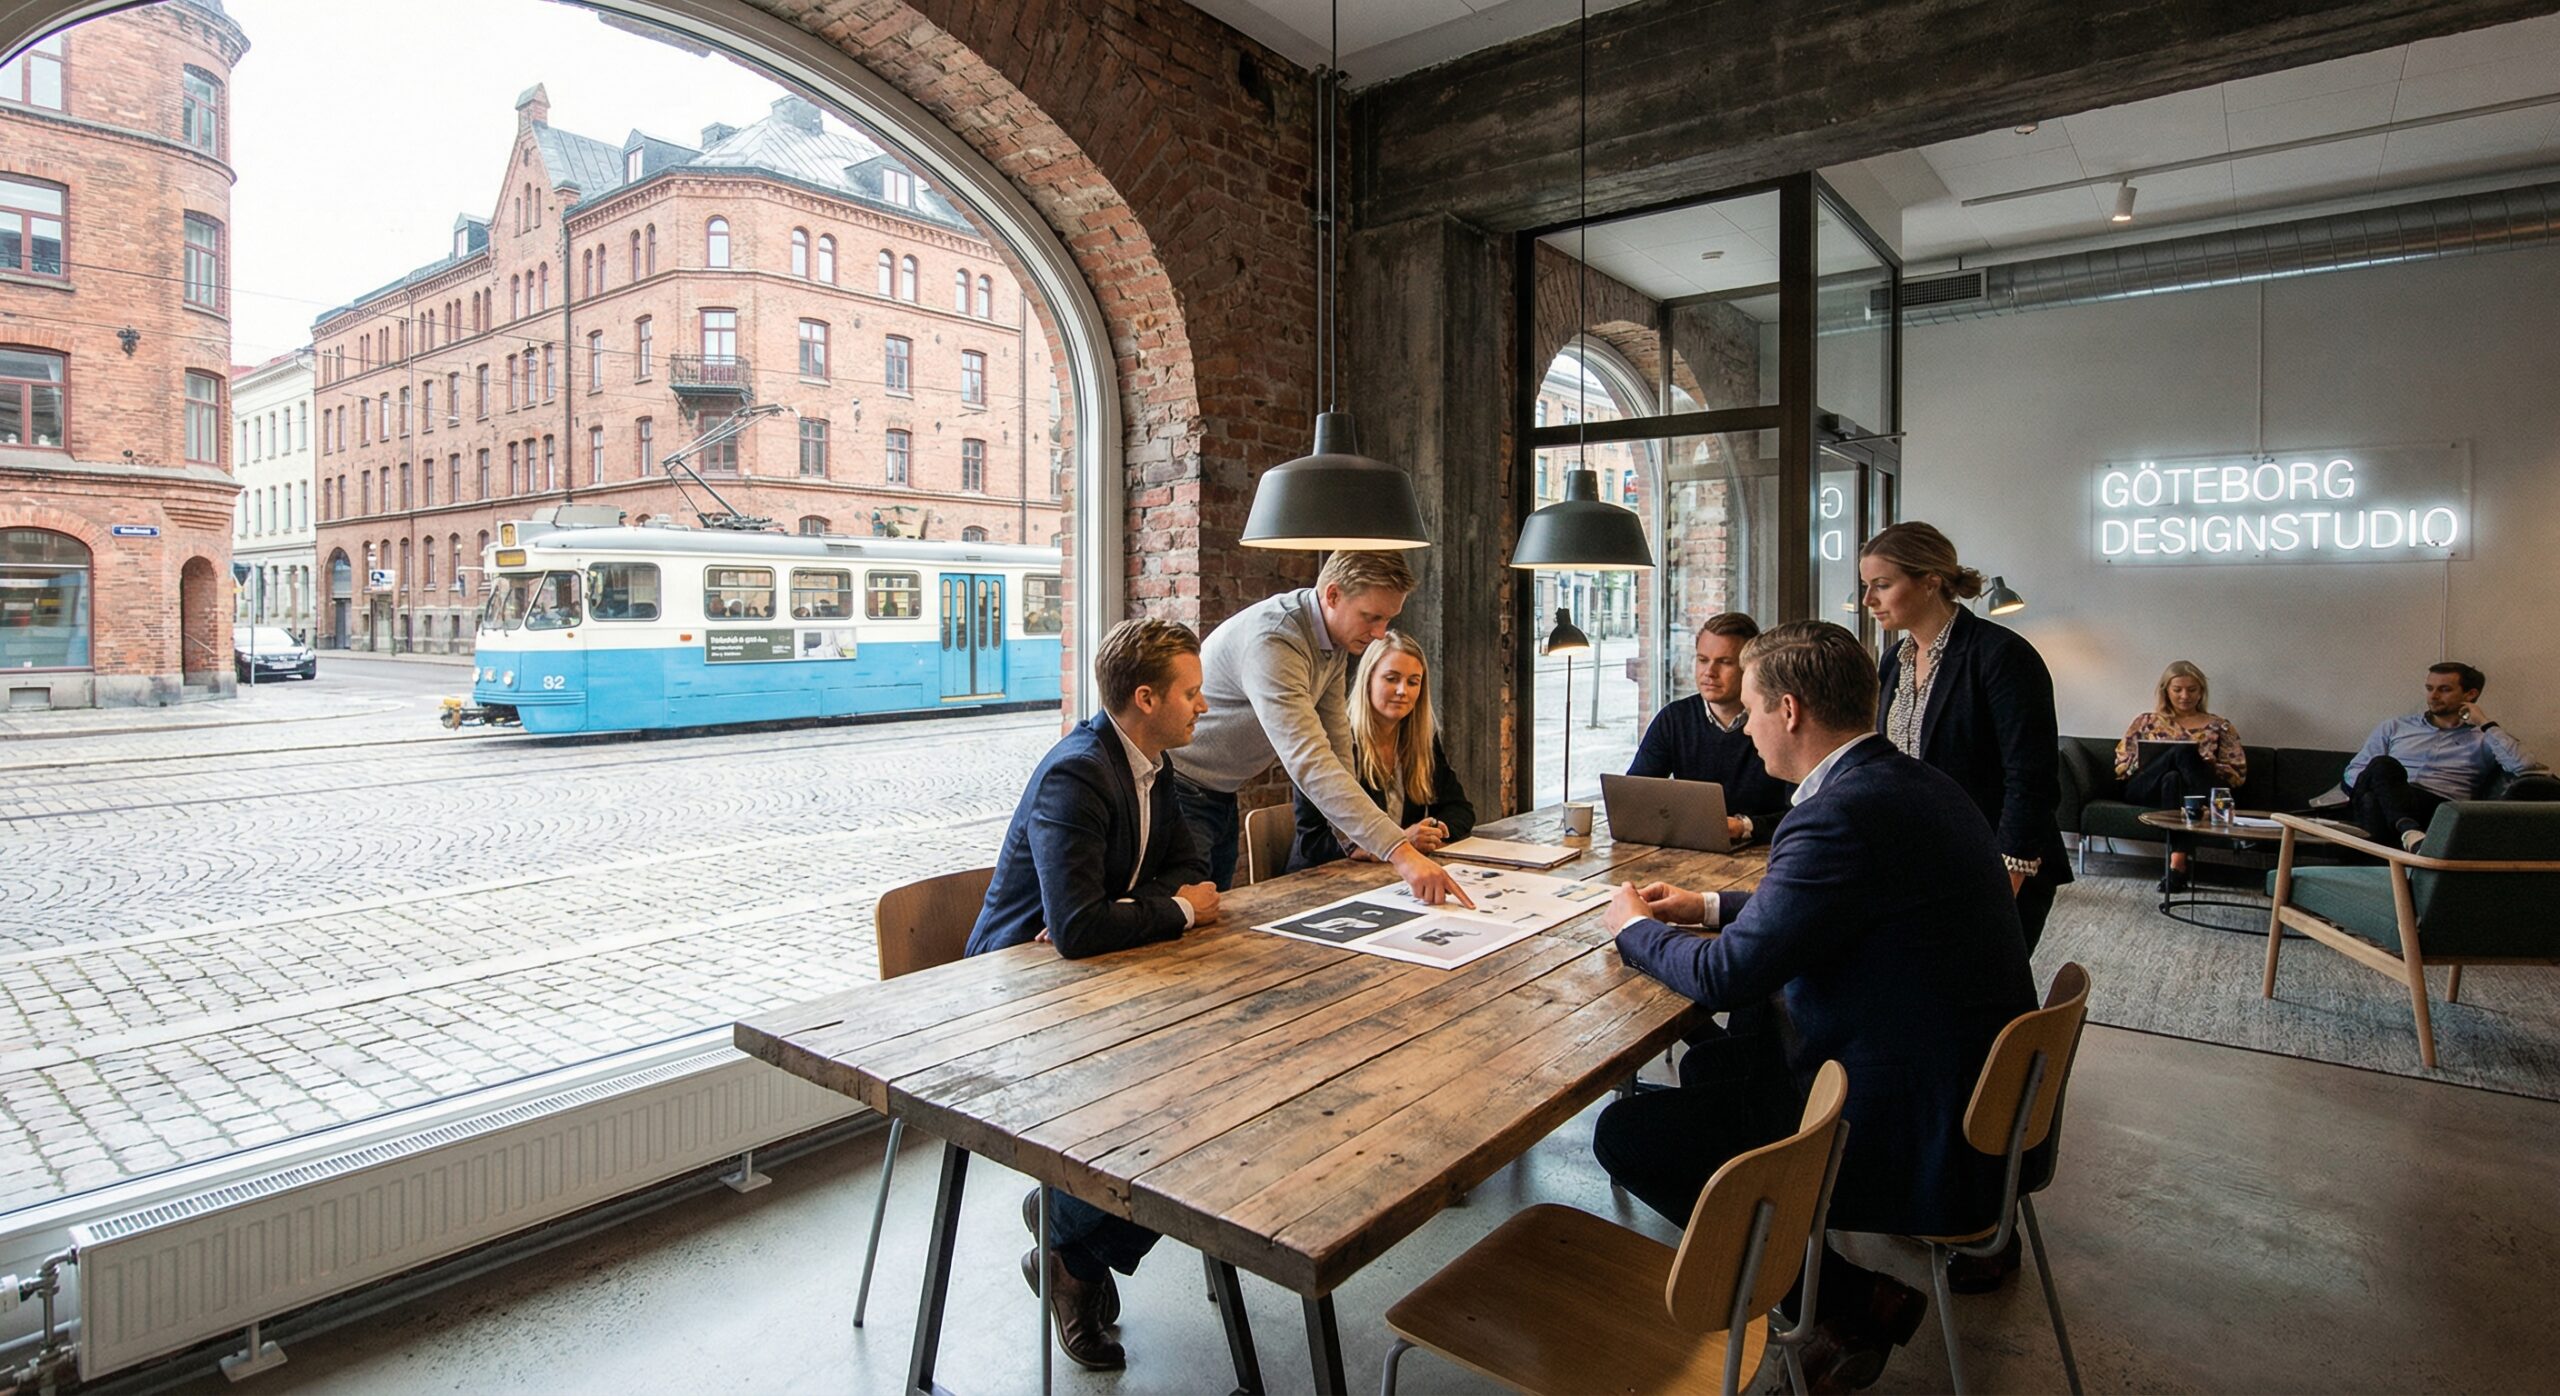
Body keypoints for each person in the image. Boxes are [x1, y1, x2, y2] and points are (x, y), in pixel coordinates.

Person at [1592, 620, 2036, 1393]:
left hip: (1911, 1132)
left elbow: (1730, 976)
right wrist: (1704, 904)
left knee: (1631, 1131)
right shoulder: (1910, 782)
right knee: (1726, 1065)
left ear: (1789, 710)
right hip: (1969, 1101)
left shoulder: (1836, 814)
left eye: (1755, 708)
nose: (1750, 730)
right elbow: (1822, 906)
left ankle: (1844, 1299)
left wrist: (1631, 928)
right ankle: (1841, 1296)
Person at [962, 617, 1221, 1371]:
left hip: (1099, 975)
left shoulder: (1151, 761)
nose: (1202, 707)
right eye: (1192, 693)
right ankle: (1075, 1253)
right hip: (1014, 992)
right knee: (1172, 1106)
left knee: (1205, 1091)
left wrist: (1138, 910)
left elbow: (1188, 863)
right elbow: (1076, 927)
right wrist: (1170, 911)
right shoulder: (1078, 770)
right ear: (1146, 697)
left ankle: (1067, 1231)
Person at [1169, 550, 1471, 906]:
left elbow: (1336, 742)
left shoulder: (1333, 641)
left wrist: (1353, 840)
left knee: (1210, 917)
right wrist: (1401, 853)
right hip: (1180, 788)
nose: (1379, 633)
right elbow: (1308, 759)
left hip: (1219, 792)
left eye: (1387, 619)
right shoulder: (1276, 639)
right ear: (1332, 595)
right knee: (1187, 924)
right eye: (1371, 617)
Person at [1863, 520, 2071, 952]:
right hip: (1920, 863)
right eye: (1867, 586)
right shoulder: (1893, 661)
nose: (1868, 600)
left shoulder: (2002, 655)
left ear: (1930, 582)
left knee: (1980, 999)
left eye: (1881, 585)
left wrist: (2007, 877)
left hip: (1995, 865)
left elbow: (2031, 780)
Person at [1287, 630, 1475, 870]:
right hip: (1320, 882)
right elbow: (1312, 842)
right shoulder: (1330, 742)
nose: (1402, 691)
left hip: (1390, 877)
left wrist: (1434, 829)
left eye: (1413, 682)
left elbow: (1461, 809)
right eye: (1391, 678)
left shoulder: (1422, 740)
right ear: (1368, 680)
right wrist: (1396, 843)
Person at [1627, 611, 1796, 844]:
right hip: (1691, 849)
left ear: (1750, 667)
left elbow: (1801, 812)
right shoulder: (1674, 718)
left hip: (1765, 852)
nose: (1709, 672)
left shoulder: (1778, 722)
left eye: (1724, 662)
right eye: (1702, 660)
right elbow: (1635, 797)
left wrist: (1744, 826)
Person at [2343, 662, 2543, 851]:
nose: (2433, 696)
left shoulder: (2484, 737)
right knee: (2382, 766)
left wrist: (2484, 721)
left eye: (2444, 689)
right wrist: (2386, 789)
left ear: (2471, 694)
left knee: (2376, 793)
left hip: (2438, 808)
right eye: (2429, 688)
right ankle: (2409, 832)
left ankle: (2406, 834)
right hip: (2384, 800)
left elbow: (2524, 766)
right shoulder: (2395, 727)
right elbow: (2354, 771)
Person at [2116, 660, 2247, 891]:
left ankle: (2177, 867)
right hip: (2145, 788)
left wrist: (2209, 765)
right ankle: (2220, 811)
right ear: (2166, 691)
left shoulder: (2220, 726)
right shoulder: (2146, 722)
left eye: (2192, 689)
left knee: (2173, 779)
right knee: (2182, 752)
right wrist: (2144, 761)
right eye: (2177, 689)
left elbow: (2237, 774)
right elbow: (2121, 766)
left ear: (2201, 692)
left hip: (2185, 794)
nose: (2184, 695)